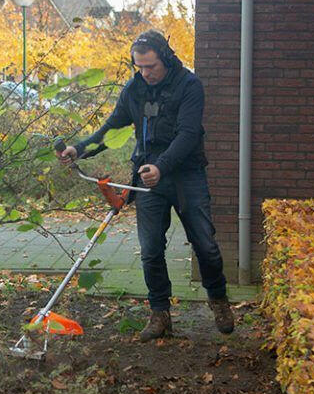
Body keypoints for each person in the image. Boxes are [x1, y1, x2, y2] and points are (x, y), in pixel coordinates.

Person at [56, 29, 234, 341]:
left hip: (185, 173)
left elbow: (188, 134)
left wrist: (162, 167)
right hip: (147, 176)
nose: (145, 73)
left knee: (205, 244)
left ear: (165, 58)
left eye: (150, 66)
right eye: (139, 67)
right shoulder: (135, 89)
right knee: (151, 249)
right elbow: (113, 127)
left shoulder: (188, 85)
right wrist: (80, 149)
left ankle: (218, 299)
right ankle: (160, 313)